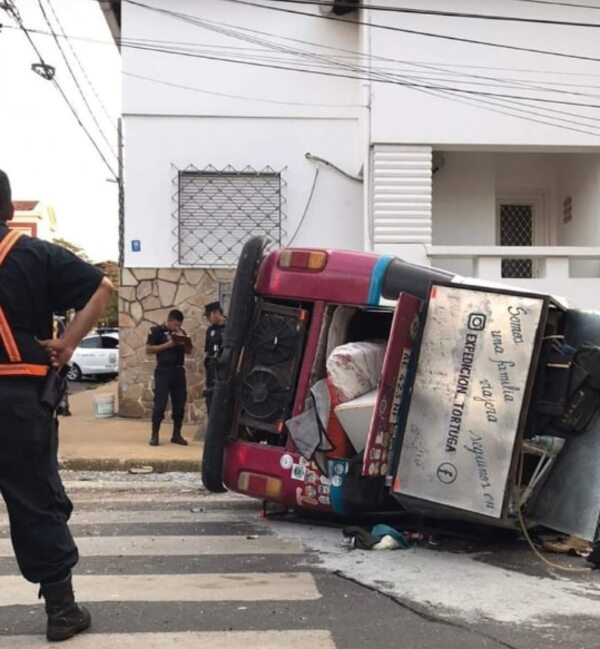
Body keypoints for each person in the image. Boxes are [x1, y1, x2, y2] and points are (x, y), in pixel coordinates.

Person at [0, 169, 113, 641]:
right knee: (35, 500)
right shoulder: (34, 255)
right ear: (9, 209)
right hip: (19, 397)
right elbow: (102, 286)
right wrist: (66, 344)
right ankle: (62, 611)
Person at [146, 309, 193, 446]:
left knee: (179, 404)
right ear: (169, 320)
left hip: (178, 371)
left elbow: (189, 351)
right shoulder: (156, 331)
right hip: (163, 371)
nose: (177, 327)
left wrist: (184, 342)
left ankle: (176, 434)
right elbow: (148, 349)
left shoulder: (181, 333)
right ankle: (155, 435)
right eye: (175, 325)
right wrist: (169, 344)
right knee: (160, 403)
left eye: (179, 325)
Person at [203, 301, 226, 414]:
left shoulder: (228, 329)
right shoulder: (210, 330)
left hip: (223, 367)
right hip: (211, 367)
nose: (208, 319)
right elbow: (207, 350)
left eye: (209, 315)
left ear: (217, 313)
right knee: (210, 396)